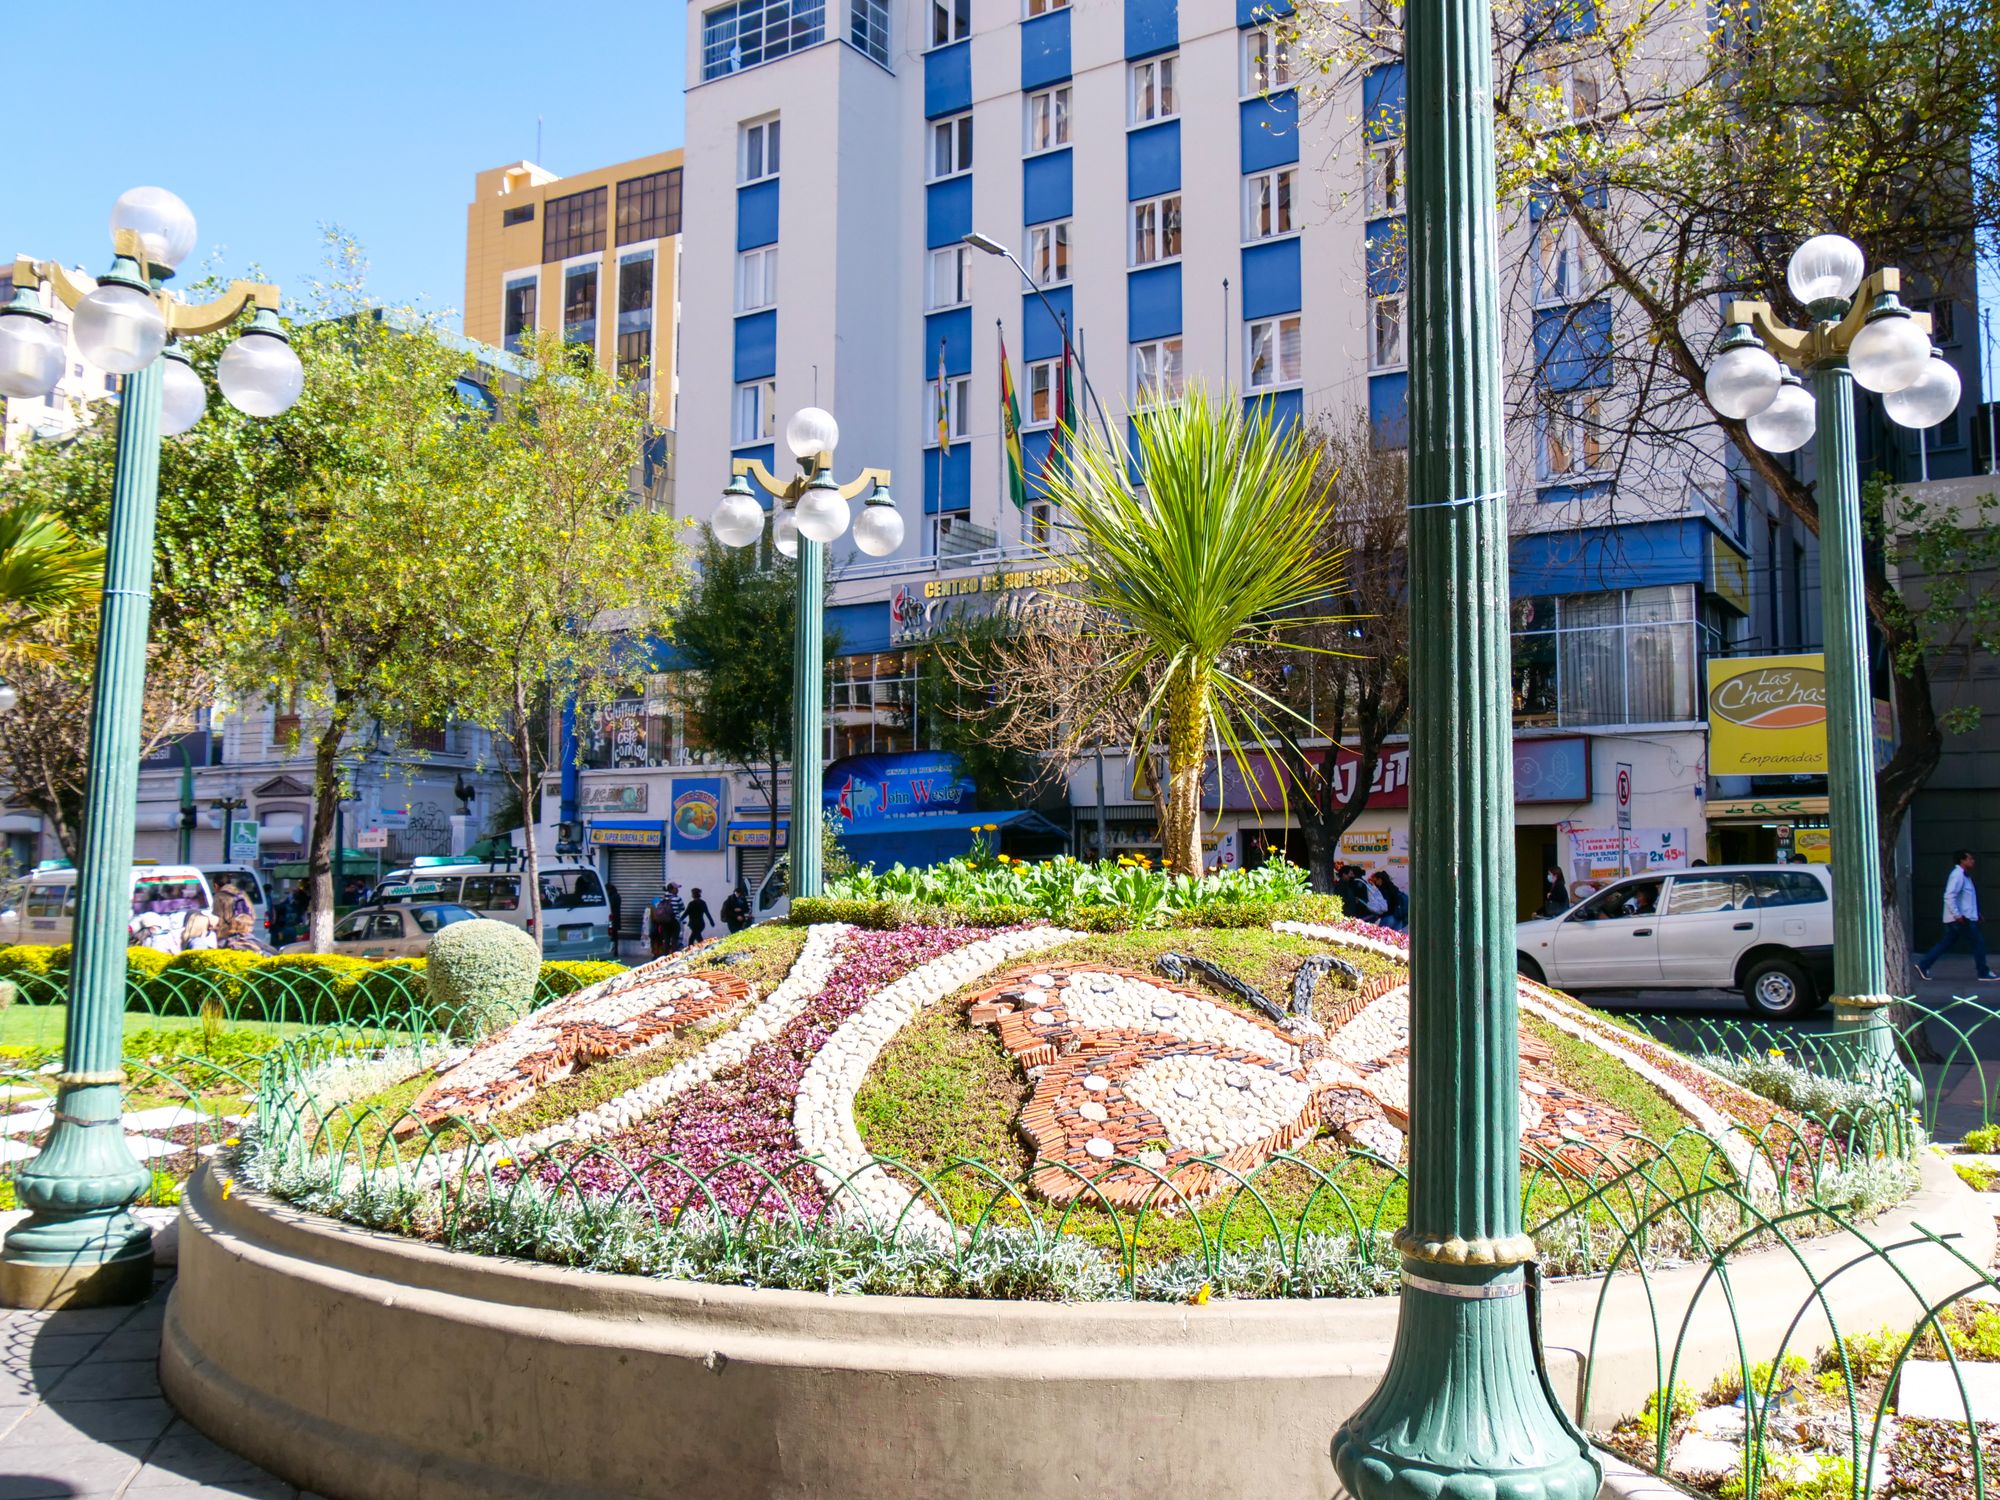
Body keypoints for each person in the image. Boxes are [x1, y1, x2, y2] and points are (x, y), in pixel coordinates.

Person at [1916, 850, 1998, 983]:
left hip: (1964, 918)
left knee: (1946, 943)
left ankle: (1923, 965)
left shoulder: (1965, 876)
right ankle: (1983, 972)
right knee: (1979, 943)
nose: (1973, 861)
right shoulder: (1957, 875)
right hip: (1961, 920)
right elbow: (1949, 896)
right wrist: (1957, 915)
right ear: (1962, 860)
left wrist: (1976, 913)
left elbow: (1966, 900)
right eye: (1970, 859)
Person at [606, 883, 623, 949]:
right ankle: (615, 950)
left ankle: (614, 950)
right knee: (614, 934)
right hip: (614, 919)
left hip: (612, 919)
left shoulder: (613, 897)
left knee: (612, 935)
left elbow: (610, 906)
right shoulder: (616, 896)